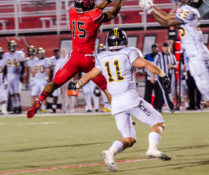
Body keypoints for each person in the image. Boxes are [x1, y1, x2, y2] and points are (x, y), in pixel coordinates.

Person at [68, 28, 171, 172]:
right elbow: (146, 64)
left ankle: (110, 152)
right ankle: (152, 149)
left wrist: (77, 84)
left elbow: (91, 74)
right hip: (131, 99)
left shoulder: (103, 56)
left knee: (129, 139)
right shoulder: (129, 52)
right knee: (158, 122)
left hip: (116, 104)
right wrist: (162, 74)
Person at [139, 0, 209, 134]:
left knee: (208, 87)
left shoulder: (188, 10)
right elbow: (165, 22)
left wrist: (152, 7)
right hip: (193, 56)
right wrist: (150, 10)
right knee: (203, 88)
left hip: (197, 54)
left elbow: (168, 20)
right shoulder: (187, 10)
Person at [27, 0, 128, 118]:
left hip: (74, 57)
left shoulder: (72, 12)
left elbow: (94, 10)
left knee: (54, 83)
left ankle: (38, 102)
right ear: (87, 4)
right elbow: (113, 13)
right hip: (89, 59)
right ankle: (122, 116)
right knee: (105, 87)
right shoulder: (93, 17)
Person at [153, 42, 176, 112]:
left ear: (169, 48)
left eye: (167, 47)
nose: (166, 49)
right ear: (162, 48)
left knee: (166, 92)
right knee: (164, 91)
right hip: (161, 75)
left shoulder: (172, 56)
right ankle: (171, 107)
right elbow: (154, 66)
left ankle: (158, 107)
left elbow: (176, 65)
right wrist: (153, 77)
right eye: (164, 47)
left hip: (169, 75)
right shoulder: (159, 56)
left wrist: (171, 66)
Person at [3, 40, 25, 114]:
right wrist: (4, 77)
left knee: (17, 92)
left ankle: (19, 106)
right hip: (9, 75)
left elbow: (22, 65)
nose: (12, 47)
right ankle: (15, 107)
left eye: (13, 46)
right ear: (9, 47)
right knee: (12, 93)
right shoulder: (5, 55)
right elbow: (5, 67)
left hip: (16, 75)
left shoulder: (19, 54)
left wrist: (21, 75)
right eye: (11, 46)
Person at [31, 47, 51, 113]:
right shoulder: (35, 61)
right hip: (36, 80)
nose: (40, 55)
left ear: (43, 53)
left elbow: (48, 69)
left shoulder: (46, 60)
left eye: (41, 53)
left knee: (43, 96)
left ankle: (43, 109)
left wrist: (47, 77)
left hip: (43, 80)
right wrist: (32, 77)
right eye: (39, 53)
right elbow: (33, 70)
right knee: (33, 95)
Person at [0, 47, 8, 115]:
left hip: (1, 81)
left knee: (3, 97)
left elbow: (5, 73)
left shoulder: (3, 61)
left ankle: (4, 109)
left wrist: (5, 81)